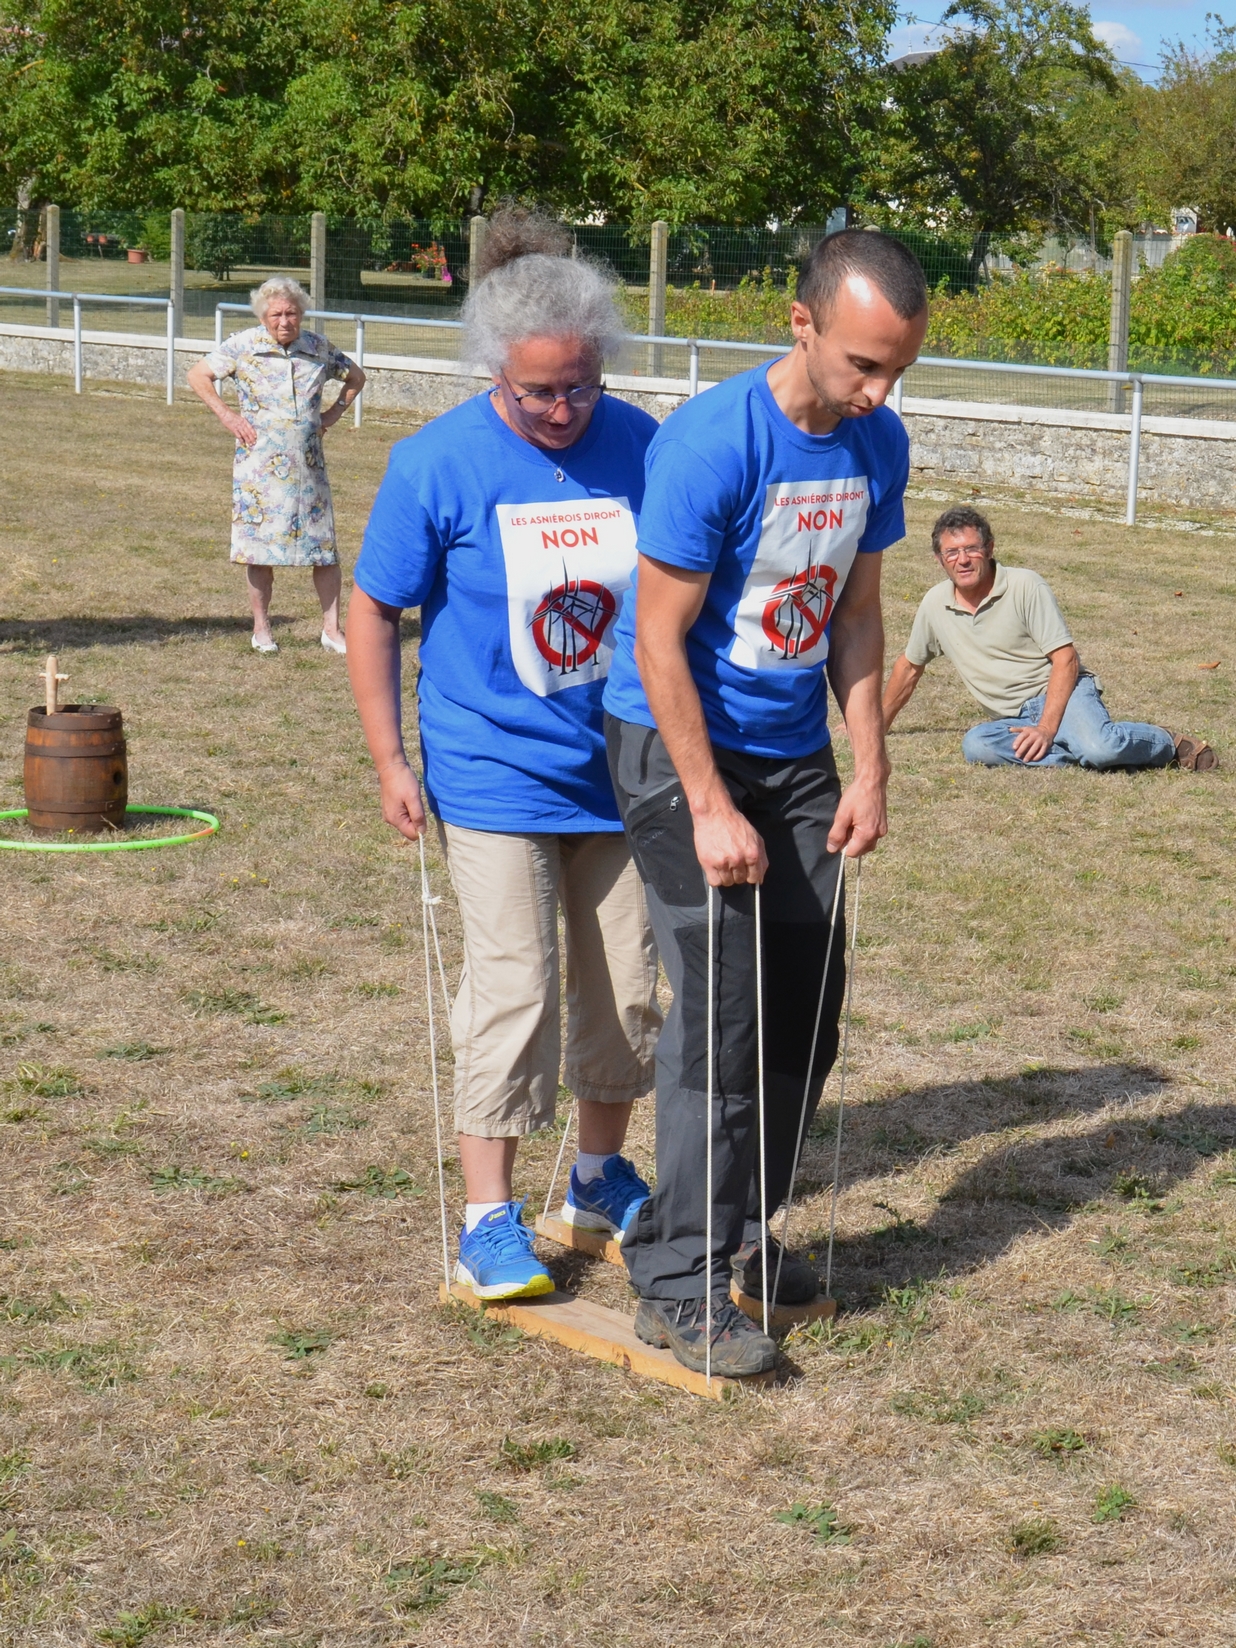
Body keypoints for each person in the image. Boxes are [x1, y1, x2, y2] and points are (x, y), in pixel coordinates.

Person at [602, 228, 929, 1376]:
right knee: (723, 1015)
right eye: (861, 366)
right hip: (675, 743)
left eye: (897, 370)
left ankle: (744, 1233)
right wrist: (705, 802)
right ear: (801, 326)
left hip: (794, 757)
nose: (879, 392)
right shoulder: (709, 444)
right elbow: (654, 638)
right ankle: (678, 1278)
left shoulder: (875, 443)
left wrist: (872, 766)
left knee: (806, 1000)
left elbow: (858, 616)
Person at [347, 209, 662, 1302]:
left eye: (580, 385)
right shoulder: (435, 460)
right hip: (490, 769)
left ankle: (595, 1176)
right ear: (494, 369)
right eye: (538, 392)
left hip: (621, 769)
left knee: (629, 986)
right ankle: (489, 1217)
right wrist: (392, 758)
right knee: (516, 987)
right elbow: (376, 607)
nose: (563, 409)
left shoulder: (640, 441)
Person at [883, 506, 1216, 770]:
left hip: (1061, 693)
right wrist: (879, 723)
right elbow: (910, 667)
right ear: (939, 559)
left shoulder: (1025, 585)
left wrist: (1046, 728)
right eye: (952, 552)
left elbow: (1066, 659)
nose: (963, 560)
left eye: (972, 548)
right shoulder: (934, 603)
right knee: (977, 745)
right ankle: (1084, 750)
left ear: (990, 548)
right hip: (1012, 718)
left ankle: (1166, 743)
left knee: (1103, 747)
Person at [187, 275, 365, 655]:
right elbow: (197, 375)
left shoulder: (318, 347)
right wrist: (227, 416)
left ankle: (332, 630)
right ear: (263, 316)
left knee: (324, 550)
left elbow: (356, 376)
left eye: (292, 313)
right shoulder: (243, 345)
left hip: (309, 469)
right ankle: (261, 628)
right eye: (276, 314)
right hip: (259, 469)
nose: (285, 321)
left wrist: (333, 414)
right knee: (259, 550)